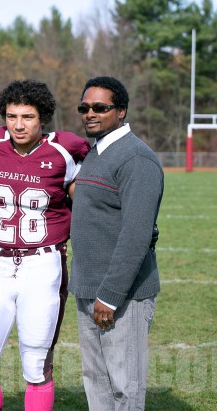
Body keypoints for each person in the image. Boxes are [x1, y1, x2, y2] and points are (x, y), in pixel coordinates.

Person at [0, 79, 90, 411]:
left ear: (43, 118)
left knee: (36, 365)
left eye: (28, 117)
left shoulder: (66, 150)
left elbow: (90, 199)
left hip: (42, 264)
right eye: (12, 116)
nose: (18, 125)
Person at [69, 76, 164, 411]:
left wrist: (109, 296)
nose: (90, 114)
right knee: (97, 382)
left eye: (100, 107)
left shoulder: (136, 158)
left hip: (120, 296)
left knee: (125, 387)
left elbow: (136, 235)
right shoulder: (97, 152)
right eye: (84, 108)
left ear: (121, 110)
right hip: (89, 289)